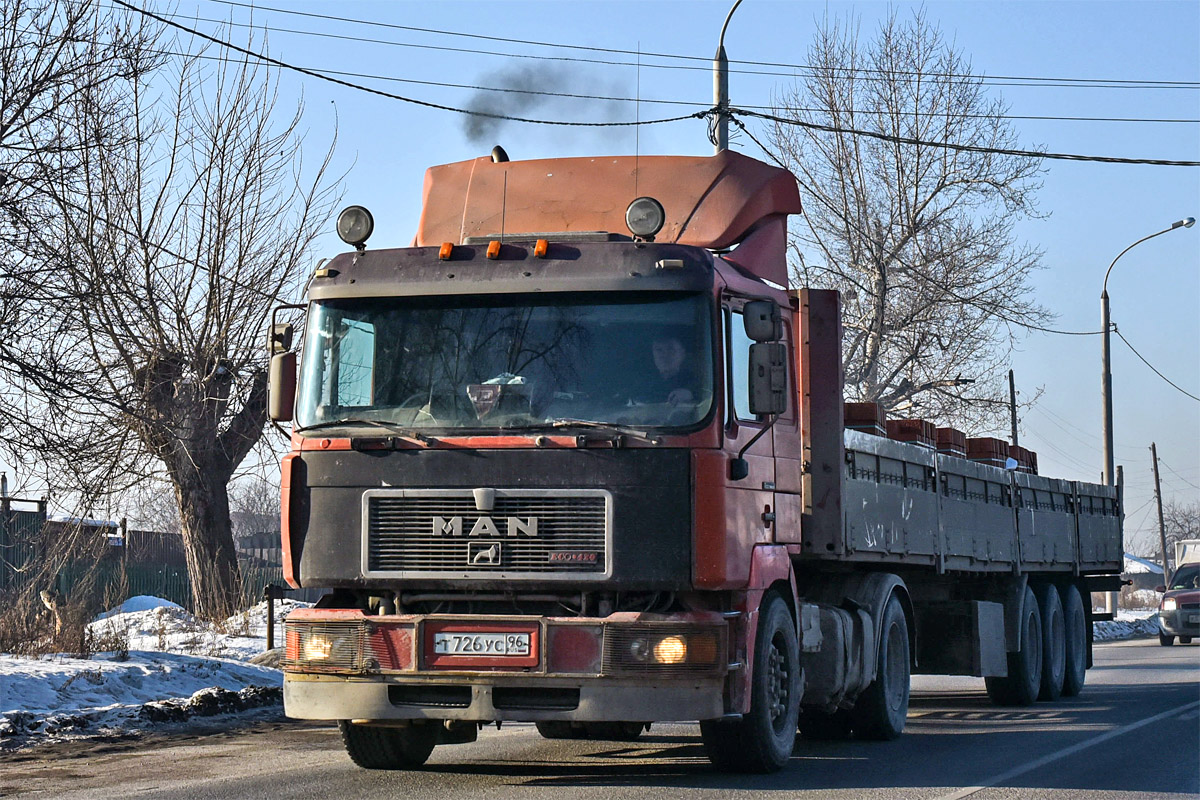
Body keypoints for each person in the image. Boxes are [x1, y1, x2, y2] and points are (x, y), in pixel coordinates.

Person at [648, 334, 696, 405]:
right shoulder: (642, 382)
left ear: (682, 354)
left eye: (671, 349)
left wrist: (689, 394)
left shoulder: (694, 381)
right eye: (659, 350)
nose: (664, 355)